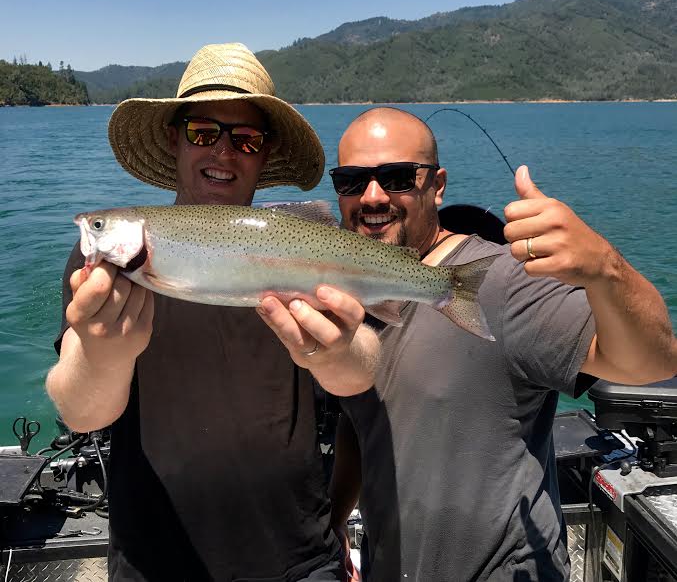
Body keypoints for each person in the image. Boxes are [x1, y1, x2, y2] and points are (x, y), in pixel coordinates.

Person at [46, 43, 380, 582]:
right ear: (175, 139)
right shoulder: (103, 270)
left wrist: (339, 349)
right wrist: (105, 354)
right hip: (155, 563)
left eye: (245, 139)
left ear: (264, 154)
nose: (224, 152)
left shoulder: (315, 253)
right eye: (205, 133)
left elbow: (363, 374)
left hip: (300, 561)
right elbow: (80, 411)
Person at [327, 107, 676, 582]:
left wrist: (605, 268)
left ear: (438, 184)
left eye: (396, 177)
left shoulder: (501, 282)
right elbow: (358, 423)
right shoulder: (352, 297)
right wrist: (333, 523)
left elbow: (651, 360)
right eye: (351, 181)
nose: (372, 196)